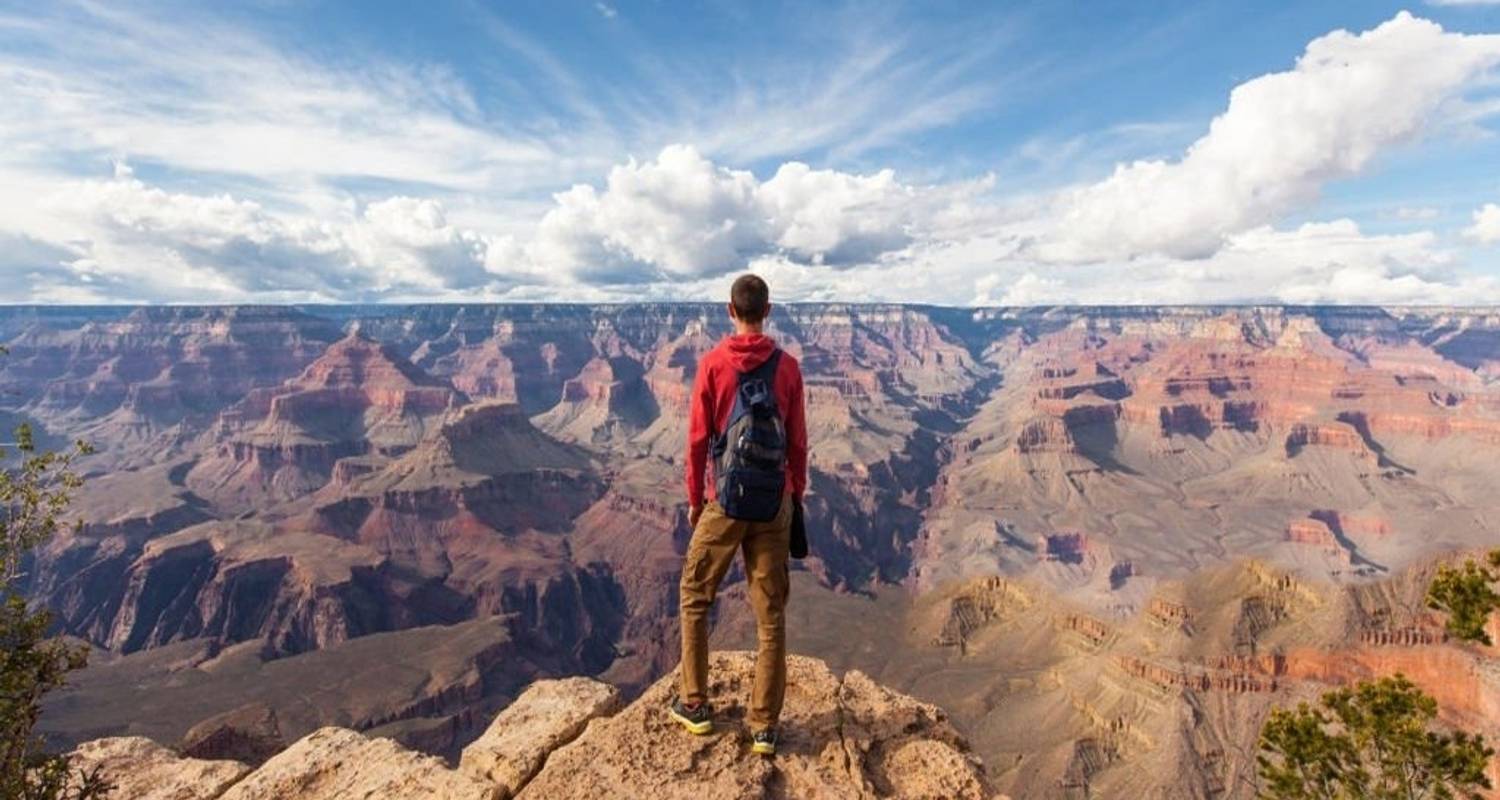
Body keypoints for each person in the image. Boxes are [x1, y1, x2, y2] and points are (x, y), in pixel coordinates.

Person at [671, 273, 807, 757]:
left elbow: (695, 441)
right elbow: (797, 442)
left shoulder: (711, 364)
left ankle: (694, 704)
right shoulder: (788, 367)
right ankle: (764, 728)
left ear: (730, 310)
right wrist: (793, 496)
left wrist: (694, 499)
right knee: (770, 617)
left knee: (694, 594)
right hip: (774, 504)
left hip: (724, 502)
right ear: (767, 310)